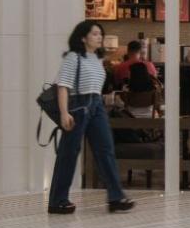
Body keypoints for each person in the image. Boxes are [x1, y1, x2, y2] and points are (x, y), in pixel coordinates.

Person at [47, 20, 136, 216]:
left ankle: (116, 198)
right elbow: (63, 86)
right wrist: (64, 113)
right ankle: (57, 200)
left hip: (97, 105)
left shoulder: (97, 58)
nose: (99, 37)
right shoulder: (73, 57)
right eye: (94, 34)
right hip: (78, 106)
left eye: (100, 34)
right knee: (69, 153)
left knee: (106, 150)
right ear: (82, 38)